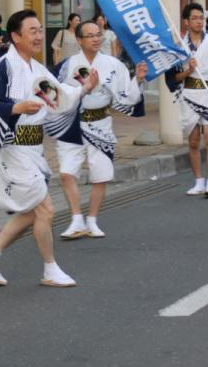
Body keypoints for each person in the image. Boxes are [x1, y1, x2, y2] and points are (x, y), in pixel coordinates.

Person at [0, 10, 98, 288]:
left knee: (32, 210)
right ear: (15, 36)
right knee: (45, 209)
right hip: (14, 145)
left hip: (34, 148)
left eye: (40, 29)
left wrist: (85, 88)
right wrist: (17, 107)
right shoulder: (4, 66)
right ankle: (50, 268)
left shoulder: (38, 69)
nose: (39, 35)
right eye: (32, 30)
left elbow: (60, 96)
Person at [55, 20, 146, 238]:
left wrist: (139, 80)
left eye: (99, 34)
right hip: (72, 124)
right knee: (66, 173)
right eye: (91, 35)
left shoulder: (114, 65)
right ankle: (76, 219)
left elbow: (129, 97)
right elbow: (56, 95)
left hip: (101, 123)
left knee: (100, 174)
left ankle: (92, 220)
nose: (96, 39)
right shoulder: (67, 66)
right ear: (79, 40)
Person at [167, 4, 208, 196]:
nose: (199, 21)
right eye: (195, 18)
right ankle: (198, 180)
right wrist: (189, 71)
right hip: (189, 94)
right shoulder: (179, 46)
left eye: (202, 18)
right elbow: (173, 78)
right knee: (193, 142)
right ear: (186, 22)